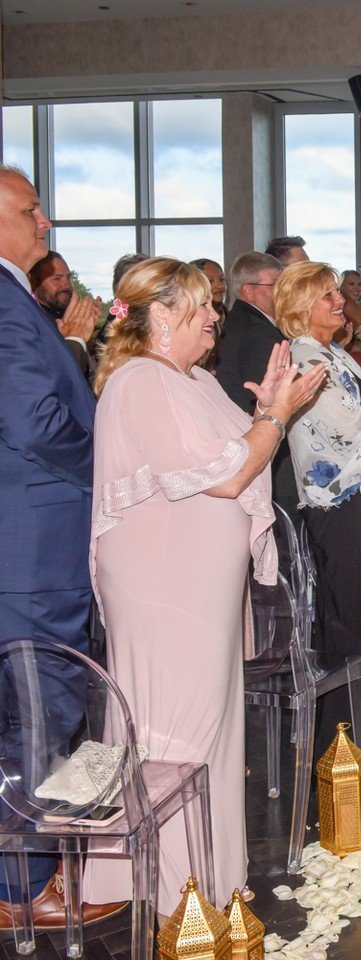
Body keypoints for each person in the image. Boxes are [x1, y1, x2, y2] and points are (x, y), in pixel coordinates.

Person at [83, 258, 325, 911]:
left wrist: (269, 406)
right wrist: (278, 415)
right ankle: (172, 893)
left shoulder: (191, 379)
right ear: (161, 316)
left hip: (201, 589)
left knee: (211, 729)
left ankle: (208, 879)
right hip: (165, 587)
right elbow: (223, 475)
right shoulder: (138, 382)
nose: (215, 319)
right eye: (202, 309)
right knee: (172, 729)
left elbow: (242, 446)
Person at [0, 166, 109, 929]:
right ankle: (23, 890)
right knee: (44, 719)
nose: (45, 222)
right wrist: (109, 465)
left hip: (27, 553)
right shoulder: (7, 308)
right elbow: (36, 426)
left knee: (29, 721)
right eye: (31, 209)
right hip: (36, 557)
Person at [275, 262, 361, 749]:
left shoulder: (332, 355)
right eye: (327, 294)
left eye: (337, 292)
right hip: (336, 508)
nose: (339, 301)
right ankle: (344, 751)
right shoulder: (306, 361)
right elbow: (352, 439)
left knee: (358, 628)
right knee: (349, 631)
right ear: (298, 308)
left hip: (355, 508)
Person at [214, 251, 299, 515]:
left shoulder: (247, 323)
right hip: (259, 444)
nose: (284, 292)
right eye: (276, 284)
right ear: (248, 290)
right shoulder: (258, 332)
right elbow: (263, 397)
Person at [27, 250, 102, 378]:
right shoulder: (30, 322)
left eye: (68, 277)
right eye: (56, 279)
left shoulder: (71, 316)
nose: (66, 285)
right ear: (34, 283)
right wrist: (74, 337)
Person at [190, 257, 229, 323]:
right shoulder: (192, 320)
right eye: (210, 281)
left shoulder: (229, 316)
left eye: (222, 279)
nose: (220, 286)